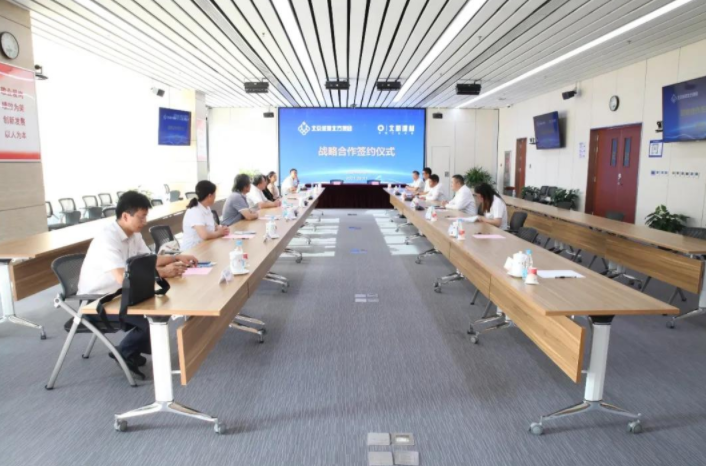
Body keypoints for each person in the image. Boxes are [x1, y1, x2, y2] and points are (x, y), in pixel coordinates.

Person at [77, 191, 197, 378]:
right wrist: (162, 273)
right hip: (97, 301)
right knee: (152, 318)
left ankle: (132, 351)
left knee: (163, 307)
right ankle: (124, 352)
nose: (145, 222)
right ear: (126, 216)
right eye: (141, 217)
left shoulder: (134, 234)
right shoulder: (107, 239)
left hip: (123, 294)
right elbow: (122, 278)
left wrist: (176, 257)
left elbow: (149, 260)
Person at [181, 180, 230, 251]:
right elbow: (204, 235)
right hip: (192, 250)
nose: (215, 197)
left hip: (205, 245)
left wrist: (220, 228)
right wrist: (220, 233)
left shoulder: (206, 207)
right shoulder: (195, 211)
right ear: (210, 196)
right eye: (214, 194)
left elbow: (213, 224)